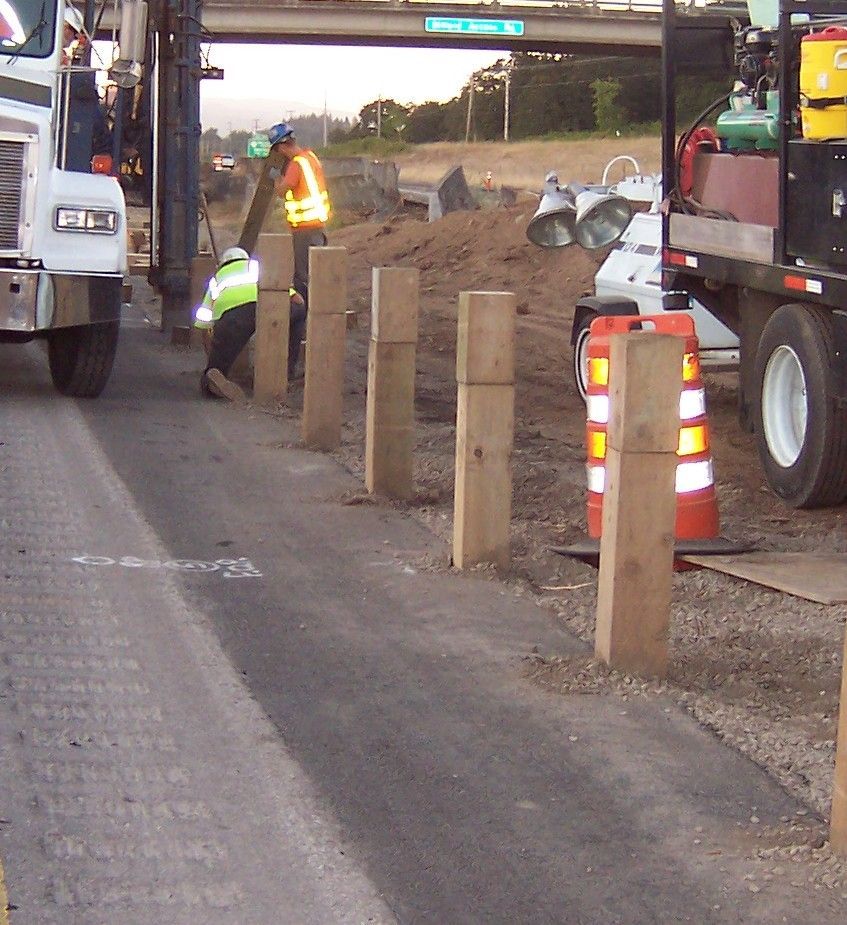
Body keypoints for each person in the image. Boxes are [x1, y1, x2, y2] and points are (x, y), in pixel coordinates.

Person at [194, 247, 306, 400]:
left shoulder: (216, 279)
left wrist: (214, 355)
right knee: (299, 311)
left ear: (222, 264)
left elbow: (204, 323)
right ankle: (285, 372)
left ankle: (213, 381)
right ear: (245, 258)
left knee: (215, 371)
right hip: (265, 308)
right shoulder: (256, 266)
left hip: (232, 318)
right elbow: (296, 299)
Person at [267, 121, 331, 304]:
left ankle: (304, 316)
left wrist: (276, 177)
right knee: (316, 271)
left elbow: (282, 191)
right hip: (318, 225)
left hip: (304, 228)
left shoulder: (296, 164)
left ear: (281, 146)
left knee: (302, 276)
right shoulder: (311, 157)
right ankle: (318, 309)